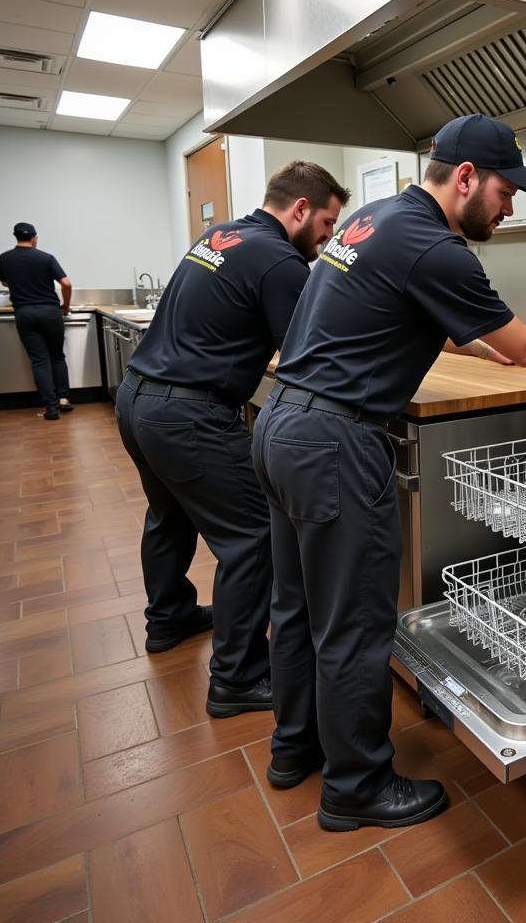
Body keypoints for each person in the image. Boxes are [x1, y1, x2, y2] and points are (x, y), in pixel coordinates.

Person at [252, 114, 526, 831]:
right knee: (353, 625)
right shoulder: (435, 245)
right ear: (465, 177)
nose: (510, 207)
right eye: (505, 191)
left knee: (298, 608)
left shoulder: (378, 220)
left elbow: (393, 309)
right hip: (335, 442)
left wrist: (477, 341)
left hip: (285, 423)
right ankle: (356, 787)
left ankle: (295, 750)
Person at [115, 161, 350, 718]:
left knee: (168, 515)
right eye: (326, 223)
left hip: (137, 398)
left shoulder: (220, 234)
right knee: (251, 538)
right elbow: (307, 354)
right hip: (186, 414)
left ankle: (167, 618)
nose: (329, 237)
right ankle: (237, 677)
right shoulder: (280, 260)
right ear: (300, 210)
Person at [0, 222, 74, 420]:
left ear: (16, 237)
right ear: (34, 238)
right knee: (57, 356)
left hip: (24, 313)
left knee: (40, 361)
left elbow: (5, 282)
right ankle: (64, 398)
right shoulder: (45, 258)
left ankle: (51, 408)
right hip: (50, 312)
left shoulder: (5, 258)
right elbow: (66, 283)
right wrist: (65, 305)